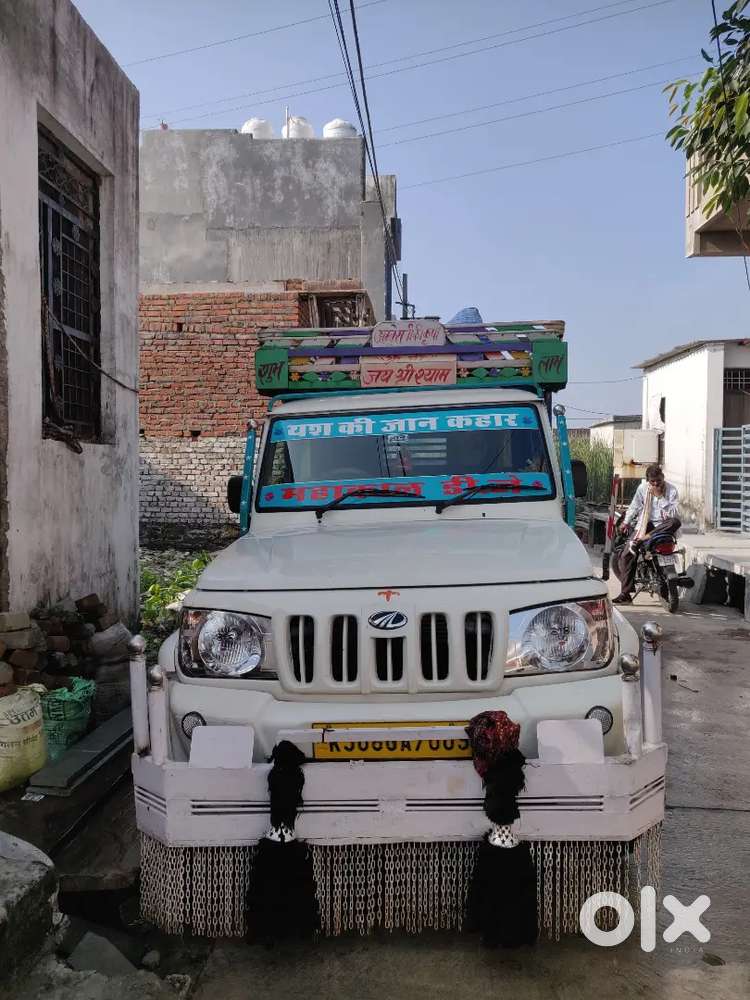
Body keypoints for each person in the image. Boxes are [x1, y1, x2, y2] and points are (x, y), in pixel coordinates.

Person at [612, 464, 680, 605]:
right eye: (652, 481)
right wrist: (625, 522)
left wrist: (660, 497)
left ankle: (645, 537)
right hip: (645, 525)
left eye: (658, 481)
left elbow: (674, 513)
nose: (655, 484)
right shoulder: (642, 489)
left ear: (663, 477)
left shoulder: (672, 490)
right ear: (648, 480)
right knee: (627, 554)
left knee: (675, 521)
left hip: (664, 526)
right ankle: (625, 594)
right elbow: (634, 506)